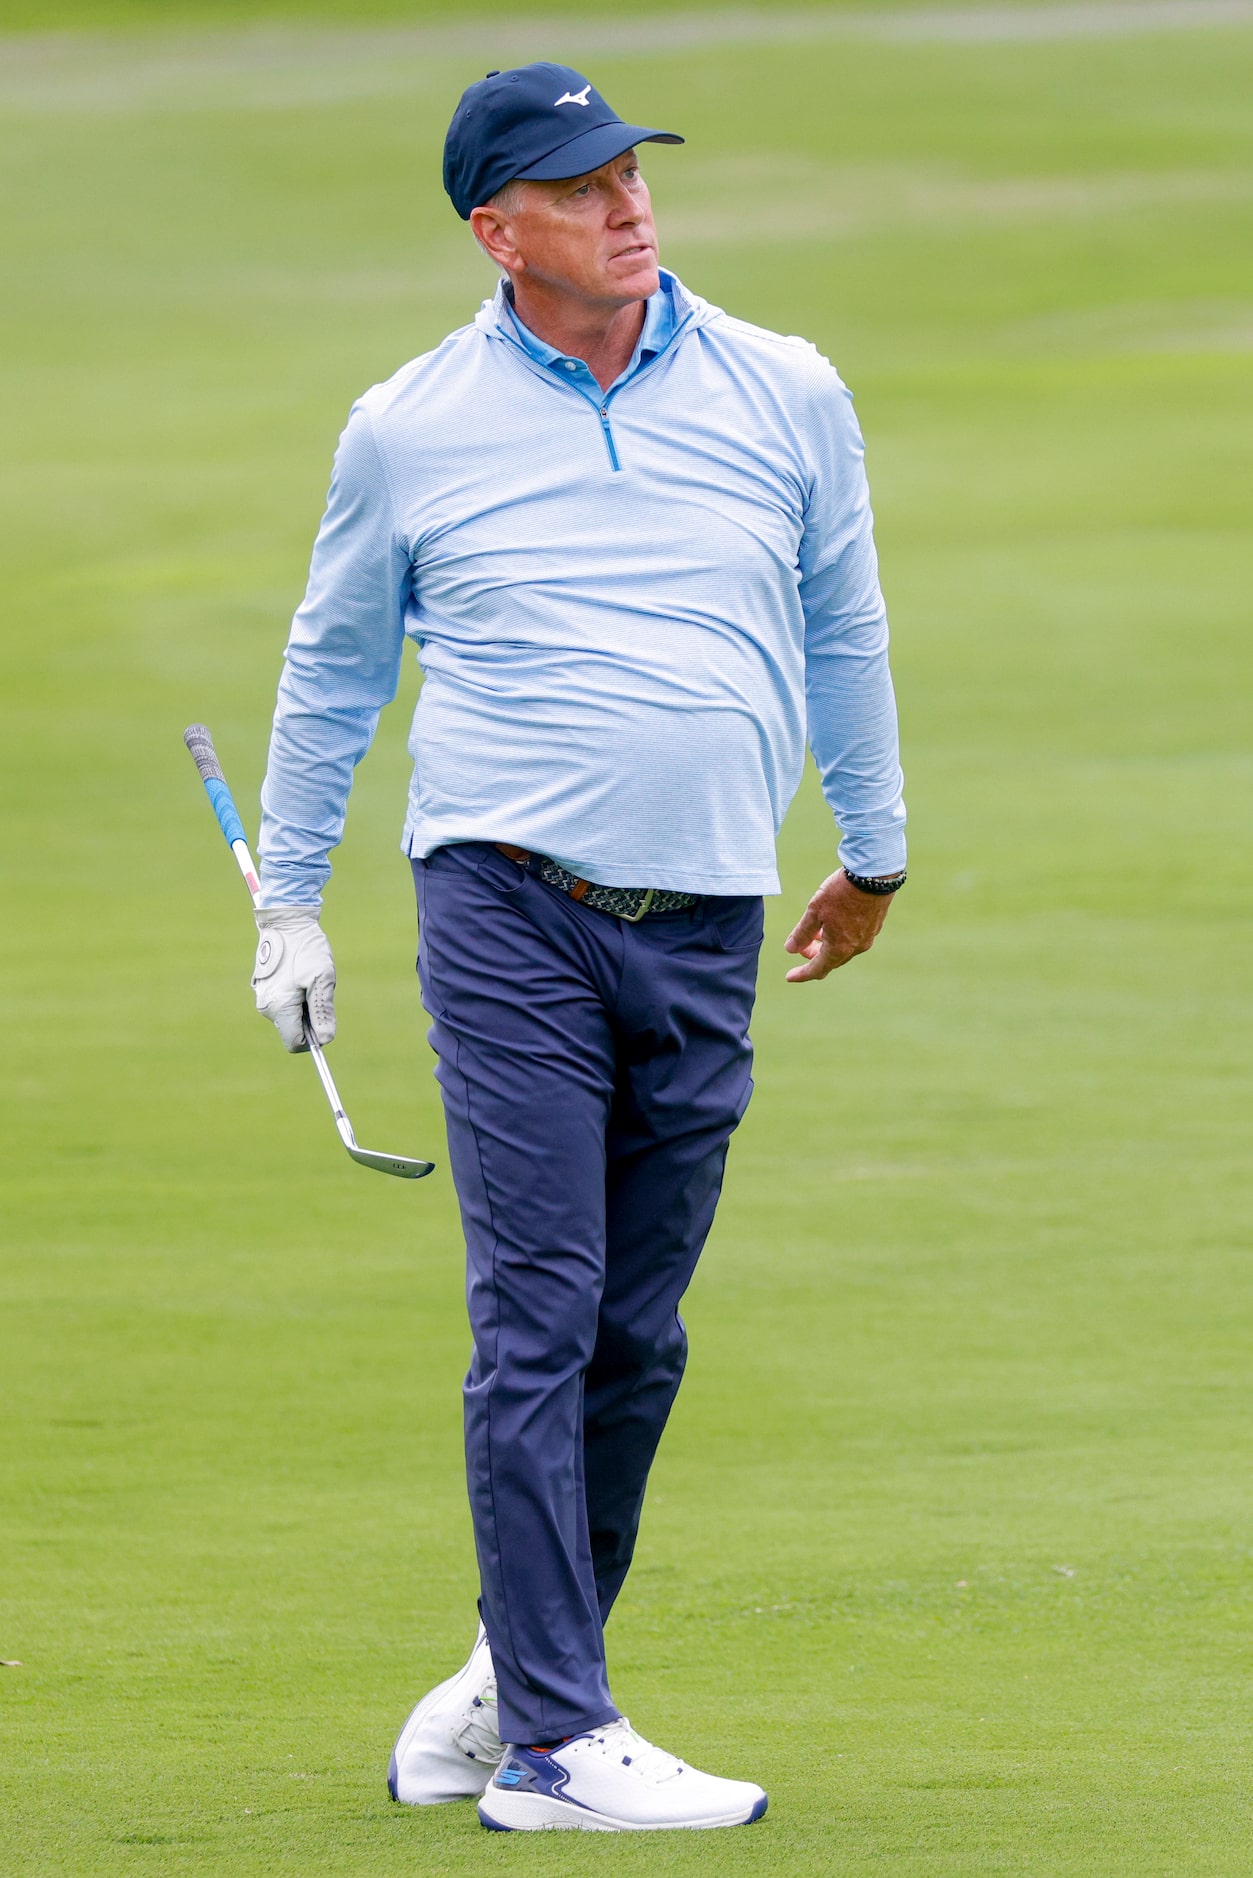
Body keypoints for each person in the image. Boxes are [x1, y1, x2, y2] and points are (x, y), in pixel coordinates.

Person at [251, 62, 906, 1835]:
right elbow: (332, 666)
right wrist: (288, 902)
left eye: (631, 173)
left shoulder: (786, 387)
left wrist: (876, 852)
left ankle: (503, 1677)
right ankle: (557, 1731)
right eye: (578, 184)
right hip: (503, 899)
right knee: (537, 1308)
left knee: (639, 1329)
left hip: (704, 909)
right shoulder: (409, 422)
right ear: (496, 228)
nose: (627, 206)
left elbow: (842, 616)